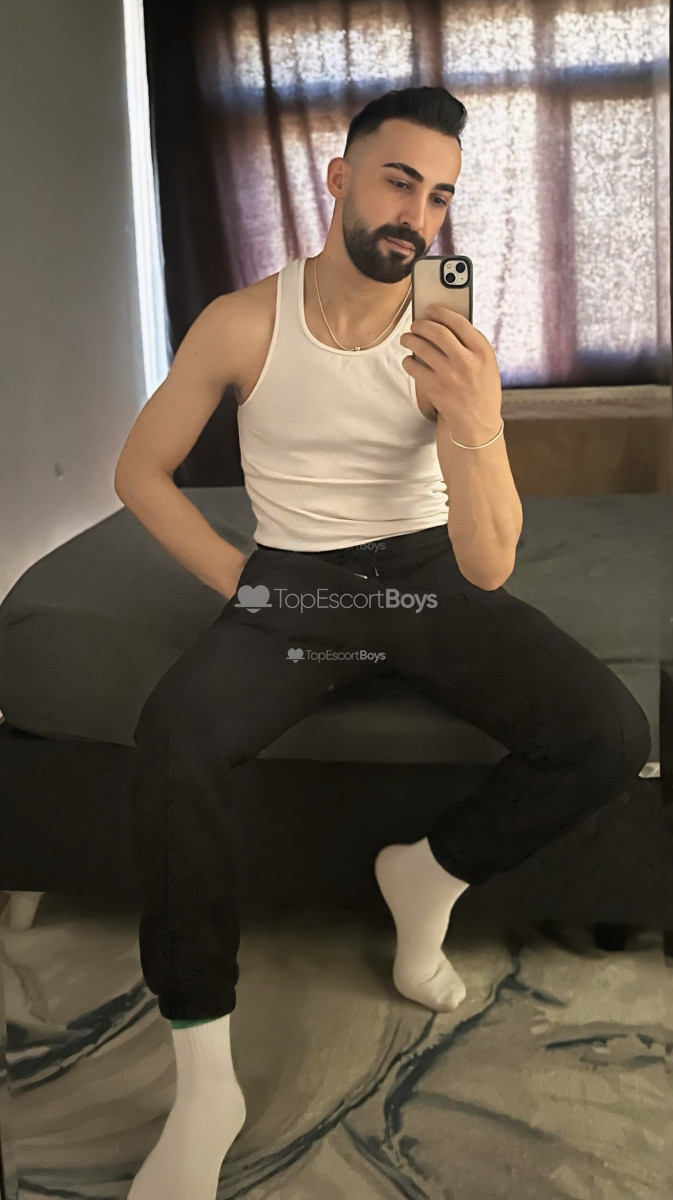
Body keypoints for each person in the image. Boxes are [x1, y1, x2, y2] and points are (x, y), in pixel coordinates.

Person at [115, 86, 651, 1200]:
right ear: (338, 177)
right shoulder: (241, 322)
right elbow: (139, 472)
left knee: (606, 733)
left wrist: (476, 418)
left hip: (424, 576)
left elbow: (489, 563)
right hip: (294, 584)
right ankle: (205, 1083)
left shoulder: (446, 335)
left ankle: (427, 874)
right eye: (399, 181)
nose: (418, 213)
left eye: (440, 196)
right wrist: (241, 580)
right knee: (173, 739)